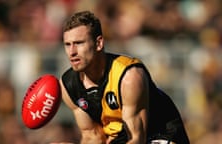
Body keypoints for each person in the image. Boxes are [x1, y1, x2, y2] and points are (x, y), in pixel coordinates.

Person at [57, 11, 190, 144]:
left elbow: (137, 139)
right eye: (67, 44)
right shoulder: (68, 85)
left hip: (159, 135)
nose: (72, 52)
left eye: (79, 43)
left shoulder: (129, 76)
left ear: (98, 43)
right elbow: (92, 136)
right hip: (120, 139)